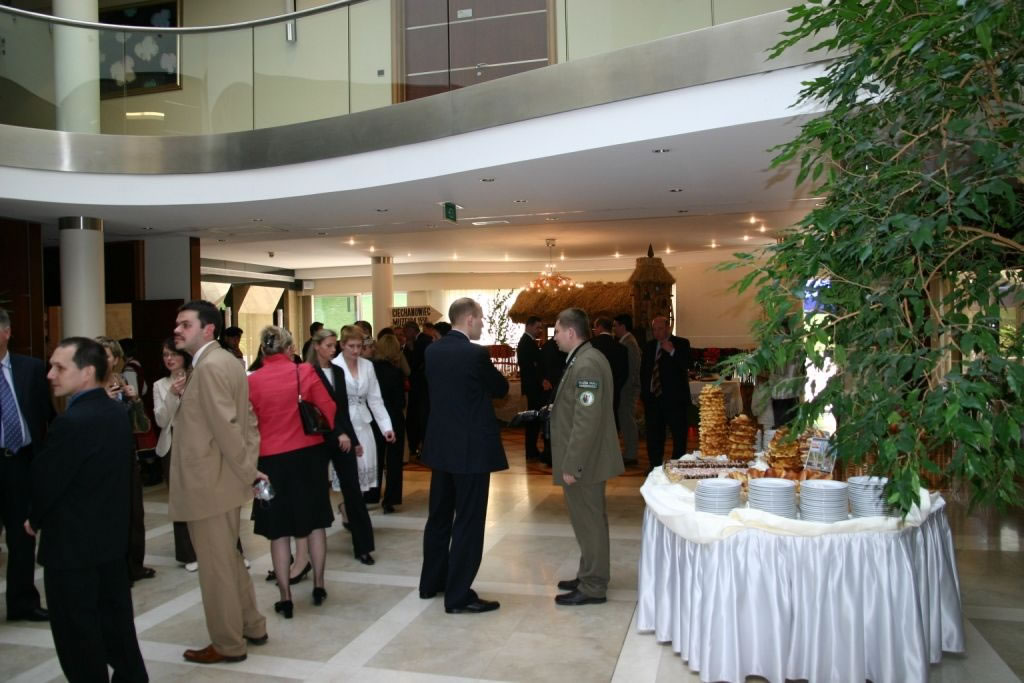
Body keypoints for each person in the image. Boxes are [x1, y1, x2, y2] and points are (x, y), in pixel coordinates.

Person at [27, 336, 148, 681]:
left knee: (77, 639)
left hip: (72, 551)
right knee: (117, 632)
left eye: (59, 367)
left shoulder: (72, 422)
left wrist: (34, 517)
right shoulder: (114, 412)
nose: (50, 374)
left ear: (87, 372)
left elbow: (49, 480)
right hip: (109, 544)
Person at [170, 300, 267, 665]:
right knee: (229, 558)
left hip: (209, 483)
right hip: (221, 480)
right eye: (178, 324)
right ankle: (252, 625)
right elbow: (247, 420)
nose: (178, 330)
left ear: (207, 329)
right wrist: (248, 466)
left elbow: (227, 426)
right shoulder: (225, 361)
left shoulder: (210, 366)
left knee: (216, 569)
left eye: (185, 324)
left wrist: (247, 470)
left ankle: (227, 643)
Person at [418, 297, 508, 615]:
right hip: (471, 451)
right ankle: (458, 596)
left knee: (439, 517)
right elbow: (501, 388)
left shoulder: (432, 351)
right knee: (468, 521)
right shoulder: (474, 354)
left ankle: (432, 582)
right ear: (469, 319)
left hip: (441, 448)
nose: (482, 323)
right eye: (480, 318)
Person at [249, 326, 338, 617]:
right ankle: (319, 585)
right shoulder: (304, 372)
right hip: (308, 457)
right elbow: (329, 411)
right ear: (289, 349)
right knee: (315, 524)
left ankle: (285, 596)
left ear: (263, 350)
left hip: (269, 462)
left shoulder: (252, 380)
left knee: (278, 531)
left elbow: (246, 424)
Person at [550, 308, 624, 606]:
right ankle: (589, 573)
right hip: (587, 458)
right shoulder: (584, 358)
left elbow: (586, 419)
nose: (554, 338)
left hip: (586, 461)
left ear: (571, 332)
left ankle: (593, 585)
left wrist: (573, 464)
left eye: (557, 331)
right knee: (587, 521)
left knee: (589, 522)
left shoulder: (587, 364)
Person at [308, 327, 376, 565]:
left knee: (353, 490)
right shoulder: (307, 371)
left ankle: (363, 546)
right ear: (316, 346)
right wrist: (339, 433)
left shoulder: (337, 371)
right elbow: (314, 408)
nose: (332, 349)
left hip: (342, 437)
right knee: (315, 492)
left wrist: (353, 439)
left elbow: (342, 409)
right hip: (318, 439)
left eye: (333, 345)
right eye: (328, 345)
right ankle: (308, 550)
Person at [0, 308, 51, 622]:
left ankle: (23, 603)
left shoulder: (30, 368)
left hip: (20, 462)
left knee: (22, 536)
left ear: (6, 332)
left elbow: (45, 415)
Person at [96, 336, 155, 583]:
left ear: (117, 359)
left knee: (134, 513)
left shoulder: (122, 381)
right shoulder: (89, 386)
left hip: (127, 455)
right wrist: (103, 402)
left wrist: (135, 401)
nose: (103, 359)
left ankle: (134, 565)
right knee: (109, 516)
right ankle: (115, 569)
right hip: (102, 459)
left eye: (107, 355)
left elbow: (142, 426)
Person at [331, 327, 396, 509]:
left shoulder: (367, 366)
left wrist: (386, 427)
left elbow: (375, 399)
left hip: (364, 424)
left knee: (363, 472)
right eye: (351, 346)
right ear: (342, 345)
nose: (356, 350)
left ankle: (353, 510)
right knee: (347, 472)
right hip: (344, 425)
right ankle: (349, 510)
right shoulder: (333, 366)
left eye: (359, 346)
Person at [152, 338, 197, 571]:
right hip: (171, 444)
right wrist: (171, 394)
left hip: (197, 444)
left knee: (205, 496)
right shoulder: (160, 385)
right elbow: (161, 420)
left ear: (184, 356)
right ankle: (188, 554)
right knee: (179, 500)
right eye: (165, 355)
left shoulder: (197, 379)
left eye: (173, 354)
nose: (169, 359)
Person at [640, 315, 692, 470]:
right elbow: (644, 372)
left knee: (678, 434)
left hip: (674, 399)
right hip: (653, 398)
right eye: (654, 329)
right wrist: (644, 394)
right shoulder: (649, 347)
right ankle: (655, 466)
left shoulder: (681, 343)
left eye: (660, 329)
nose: (657, 332)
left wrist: (672, 351)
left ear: (668, 328)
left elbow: (687, 364)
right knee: (654, 435)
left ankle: (677, 466)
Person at [372, 334, 407, 513]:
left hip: (374, 419)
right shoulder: (396, 373)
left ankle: (372, 494)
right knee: (394, 461)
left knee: (375, 458)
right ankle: (390, 499)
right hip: (394, 419)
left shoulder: (370, 370)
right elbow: (401, 402)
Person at [516, 315, 549, 462]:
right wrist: (542, 380)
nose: (540, 330)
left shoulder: (529, 341)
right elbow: (531, 367)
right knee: (533, 419)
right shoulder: (526, 343)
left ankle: (532, 449)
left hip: (533, 386)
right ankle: (531, 450)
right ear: (528, 326)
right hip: (533, 387)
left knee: (534, 419)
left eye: (541, 327)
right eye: (538, 327)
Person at [613, 314, 642, 465]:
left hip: (628, 388)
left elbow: (632, 369)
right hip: (626, 387)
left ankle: (631, 454)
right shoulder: (626, 341)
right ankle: (629, 452)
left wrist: (625, 388)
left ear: (622, 326)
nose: (614, 329)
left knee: (627, 420)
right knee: (625, 420)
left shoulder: (629, 343)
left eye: (615, 326)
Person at [589, 317, 628, 429]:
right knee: (611, 425)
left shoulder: (590, 345)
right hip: (613, 393)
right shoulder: (621, 348)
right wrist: (615, 387)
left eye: (594, 328)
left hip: (593, 392)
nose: (594, 331)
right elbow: (624, 374)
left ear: (600, 327)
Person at [403, 320, 431, 457]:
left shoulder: (423, 341)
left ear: (412, 330)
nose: (405, 335)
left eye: (406, 332)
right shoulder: (417, 341)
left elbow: (414, 363)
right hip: (418, 385)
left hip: (420, 385)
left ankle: (420, 446)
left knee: (420, 416)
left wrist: (410, 349)